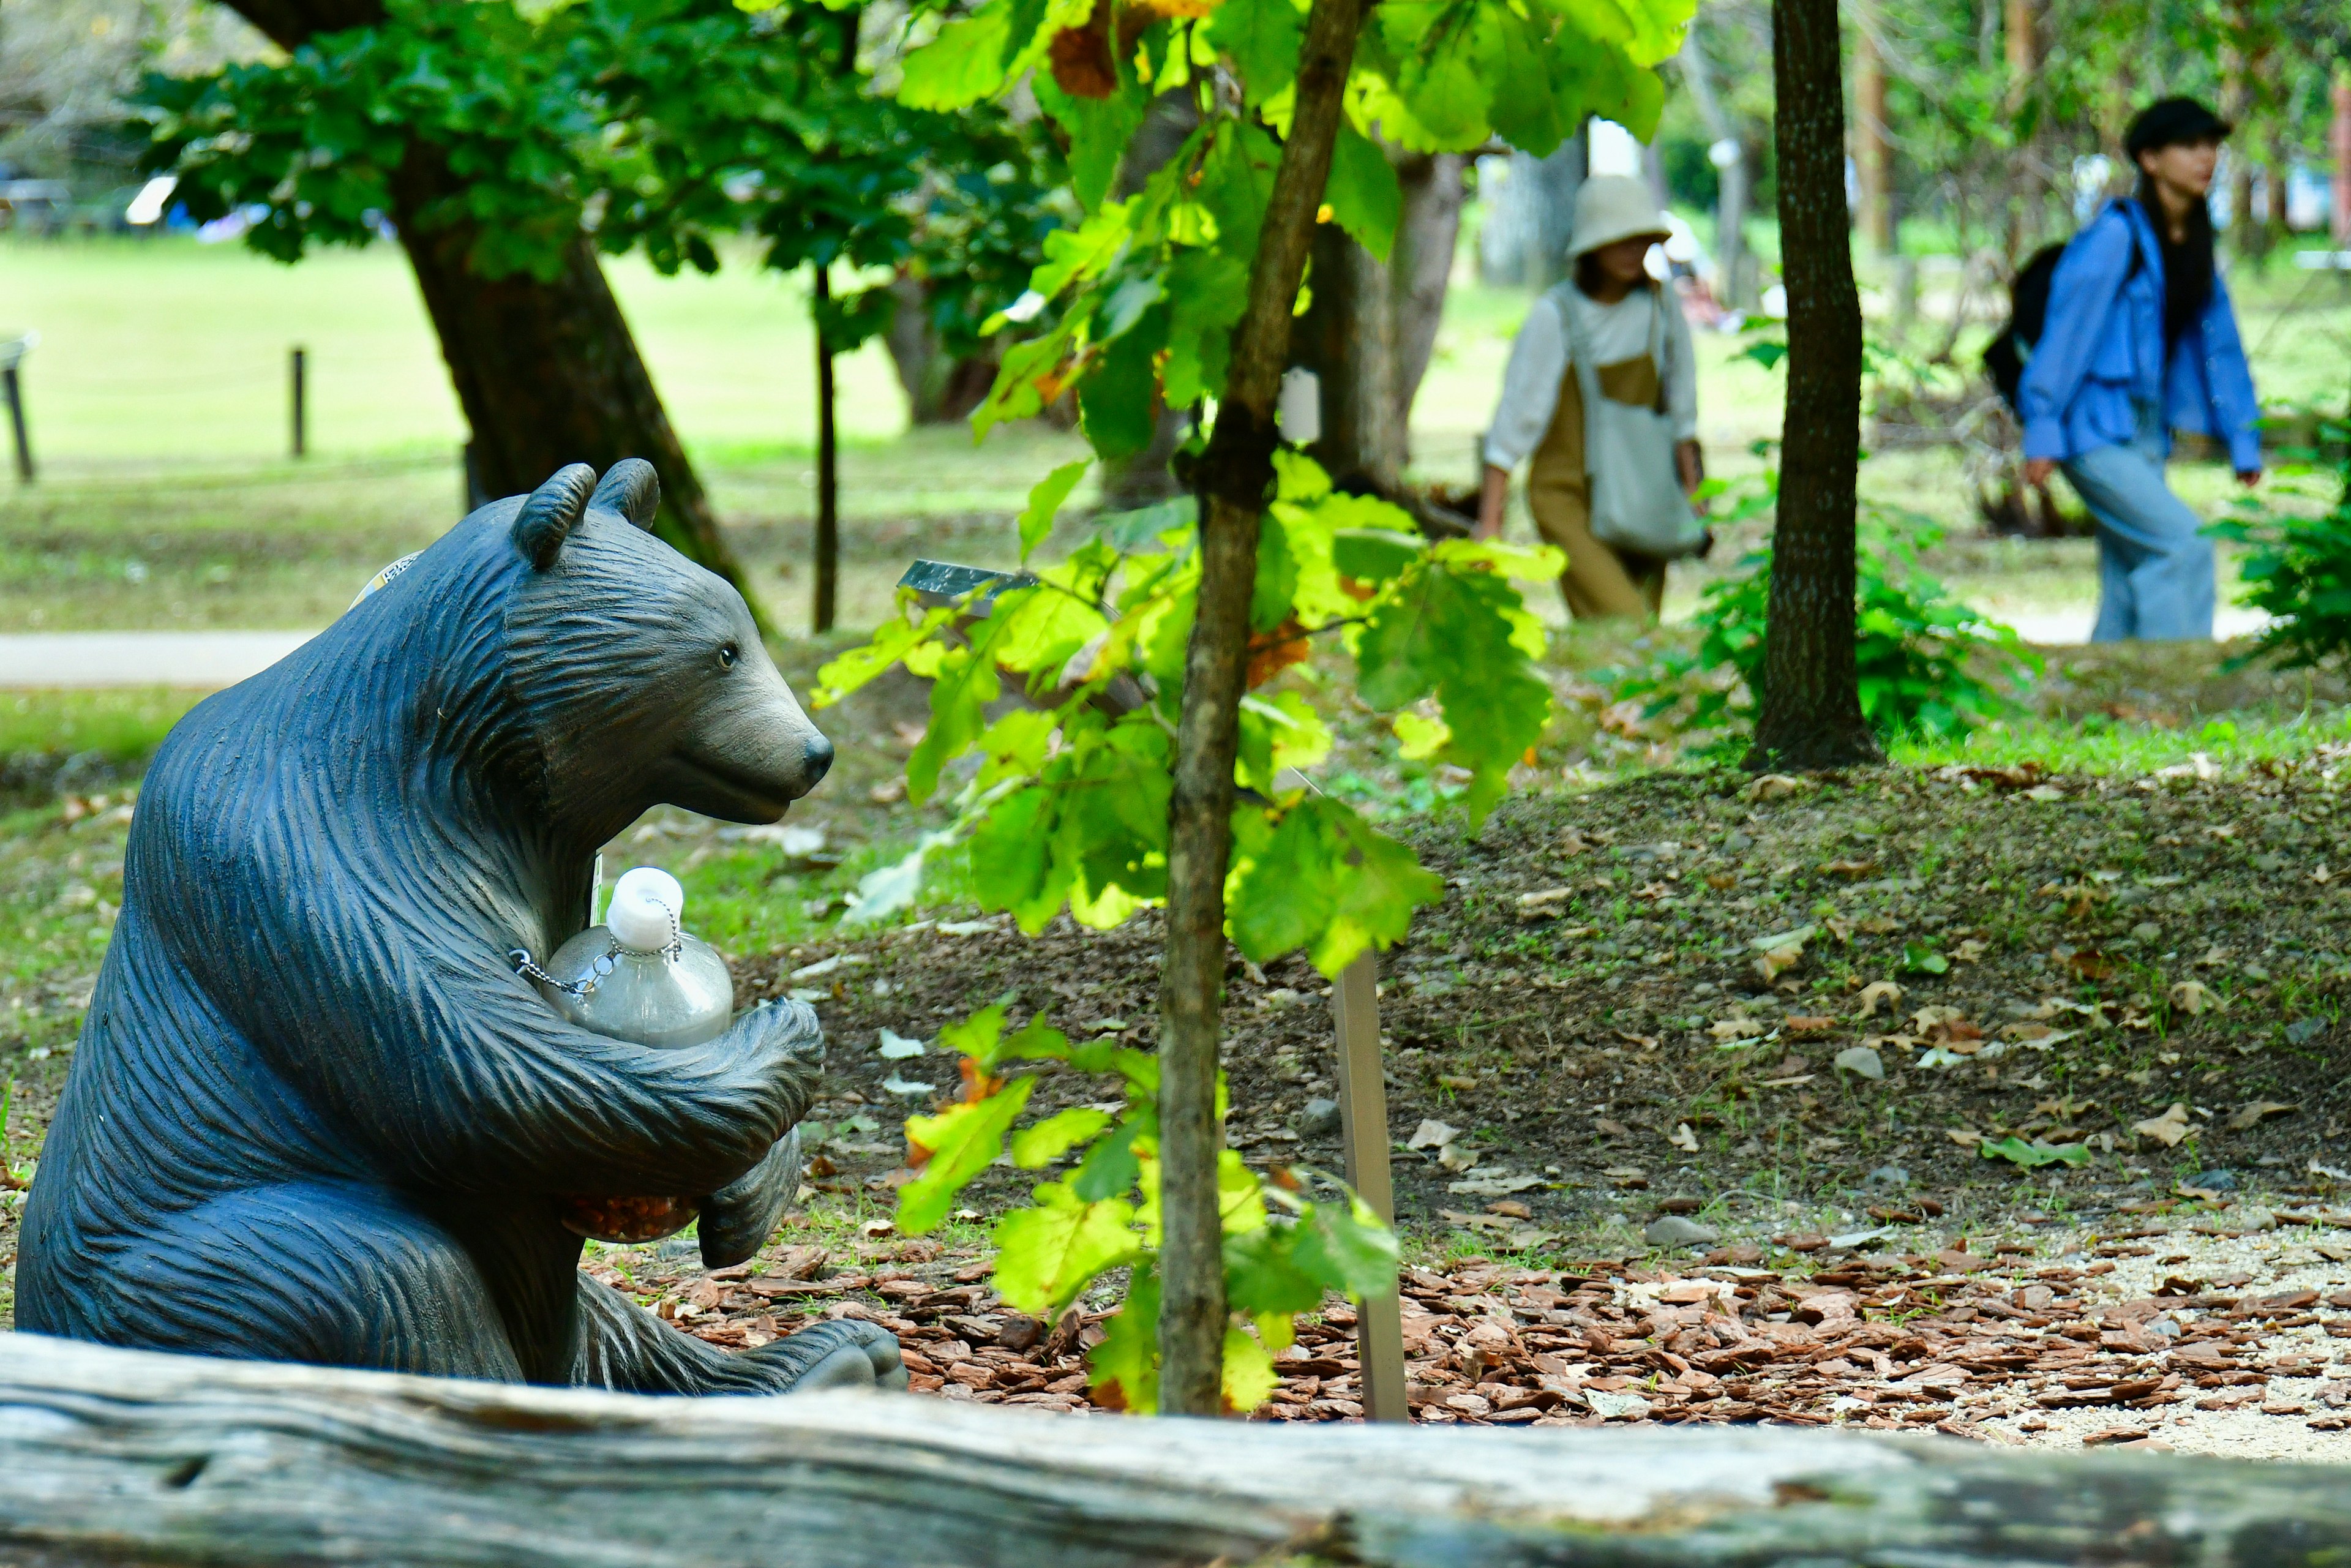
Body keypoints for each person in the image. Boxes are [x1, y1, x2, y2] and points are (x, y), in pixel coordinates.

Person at [2019, 97, 2262, 642]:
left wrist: (2244, 440)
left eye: (2213, 146)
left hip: (2146, 430)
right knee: (2183, 544)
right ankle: (2176, 688)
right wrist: (2042, 428)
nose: (2207, 158)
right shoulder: (2115, 237)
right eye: (2190, 145)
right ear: (2150, 159)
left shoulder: (2196, 241)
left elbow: (2222, 349)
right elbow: (2066, 338)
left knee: (2130, 571)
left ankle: (2110, 706)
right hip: (2091, 430)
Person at [1476, 175, 1704, 621]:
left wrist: (1695, 496)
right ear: (1590, 246)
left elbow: (1683, 407)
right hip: (1569, 499)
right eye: (1617, 239)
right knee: (1625, 622)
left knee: (1639, 642)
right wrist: (1490, 524)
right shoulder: (1554, 316)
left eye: (1640, 239)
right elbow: (1513, 424)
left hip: (1645, 494)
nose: (1630, 250)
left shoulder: (1661, 307)